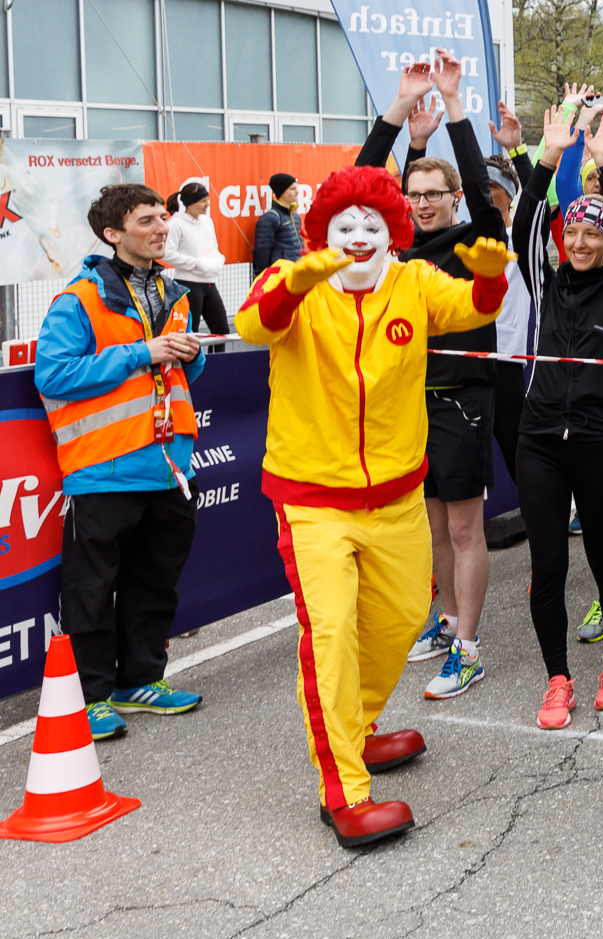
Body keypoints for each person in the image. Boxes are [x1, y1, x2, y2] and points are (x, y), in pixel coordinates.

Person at [234, 163, 510, 849]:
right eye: (343, 227)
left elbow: (475, 308)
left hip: (395, 496)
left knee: (394, 626)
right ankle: (345, 789)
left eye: (373, 226)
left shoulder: (414, 281)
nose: (358, 238)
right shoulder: (293, 283)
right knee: (330, 635)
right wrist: (295, 282)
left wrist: (491, 275)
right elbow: (252, 323)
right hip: (312, 500)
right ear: (319, 231)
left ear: (395, 232)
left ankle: (354, 729)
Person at [36, 184, 207, 744]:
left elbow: (180, 378)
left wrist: (192, 355)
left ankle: (140, 681)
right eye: (147, 220)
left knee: (154, 582)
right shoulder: (79, 299)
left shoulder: (174, 291)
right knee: (91, 589)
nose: (162, 227)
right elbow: (54, 376)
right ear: (113, 234)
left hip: (169, 466)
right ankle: (90, 696)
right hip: (104, 468)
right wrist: (142, 352)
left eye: (163, 217)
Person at [360, 53, 507, 701]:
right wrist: (399, 119)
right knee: (429, 525)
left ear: (452, 201)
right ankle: (447, 624)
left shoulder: (477, 241)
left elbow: (480, 184)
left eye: (432, 196)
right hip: (405, 404)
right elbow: (360, 186)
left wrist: (453, 108)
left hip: (464, 399)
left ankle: (469, 646)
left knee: (463, 527)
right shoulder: (393, 251)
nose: (421, 205)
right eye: (412, 195)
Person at [509, 106, 603, 730]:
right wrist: (547, 158)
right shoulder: (545, 278)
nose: (581, 242)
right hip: (538, 439)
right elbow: (522, 229)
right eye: (573, 234)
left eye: (594, 233)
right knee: (548, 565)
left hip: (595, 438)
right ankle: (557, 676)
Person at [163, 181, 230, 335]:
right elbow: (167, 253)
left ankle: (219, 359)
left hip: (209, 283)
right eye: (203, 201)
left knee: (222, 330)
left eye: (208, 200)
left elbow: (214, 248)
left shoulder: (207, 222)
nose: (207, 204)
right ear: (190, 203)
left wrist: (219, 260)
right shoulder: (175, 224)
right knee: (192, 331)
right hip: (188, 285)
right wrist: (196, 264)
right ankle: (196, 359)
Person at [251, 172, 302, 275]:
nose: (297, 192)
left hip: (297, 273)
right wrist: (265, 276)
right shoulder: (270, 218)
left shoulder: (295, 216)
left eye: (296, 188)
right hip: (280, 275)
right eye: (292, 189)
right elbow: (262, 252)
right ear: (281, 192)